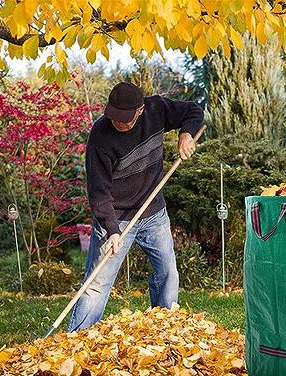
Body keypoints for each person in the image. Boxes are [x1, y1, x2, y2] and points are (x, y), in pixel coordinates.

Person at [68, 82, 204, 332]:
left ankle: (166, 328)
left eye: (124, 119)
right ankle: (75, 340)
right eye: (114, 117)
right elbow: (98, 193)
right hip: (116, 218)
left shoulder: (157, 110)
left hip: (154, 213)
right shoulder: (101, 136)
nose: (118, 123)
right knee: (98, 282)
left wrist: (186, 133)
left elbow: (193, 111)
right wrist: (112, 230)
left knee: (168, 274)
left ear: (140, 110)